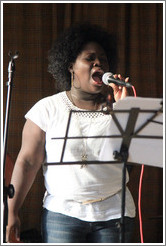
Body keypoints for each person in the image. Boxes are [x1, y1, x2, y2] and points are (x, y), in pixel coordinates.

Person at [6, 23, 136, 243]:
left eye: (103, 59)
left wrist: (126, 112)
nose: (98, 63)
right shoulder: (47, 108)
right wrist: (11, 211)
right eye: (89, 58)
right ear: (70, 67)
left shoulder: (121, 107)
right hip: (61, 214)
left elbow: (135, 158)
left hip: (115, 215)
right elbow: (27, 163)